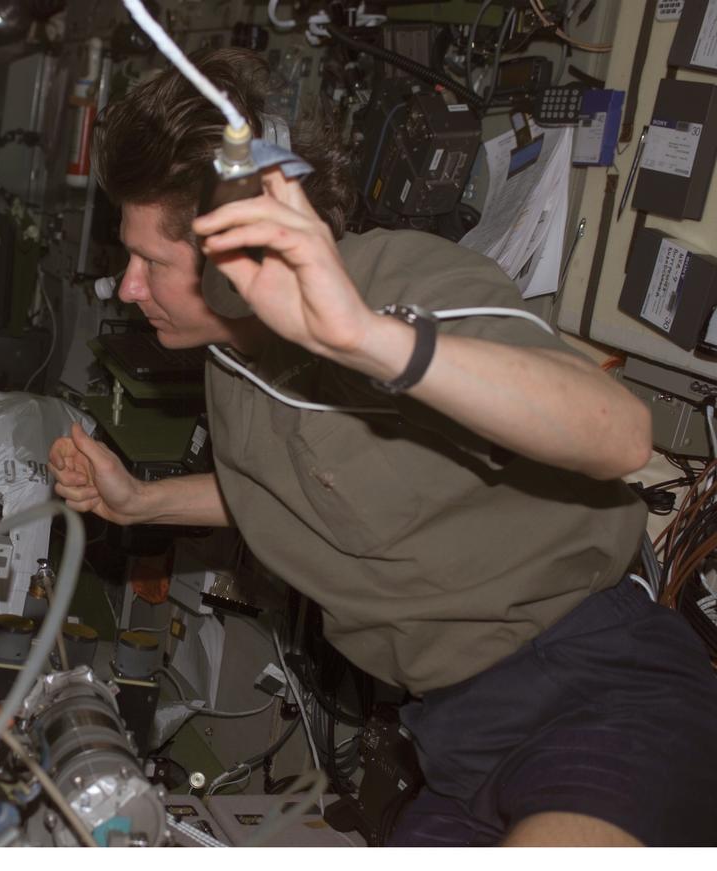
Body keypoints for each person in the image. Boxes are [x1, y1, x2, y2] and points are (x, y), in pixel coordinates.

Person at [48, 48, 717, 846]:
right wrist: (141, 502)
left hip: (592, 688)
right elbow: (279, 487)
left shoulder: (399, 283)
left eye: (150, 261)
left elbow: (616, 431)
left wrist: (366, 338)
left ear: (240, 255)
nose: (127, 287)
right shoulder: (232, 364)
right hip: (454, 738)